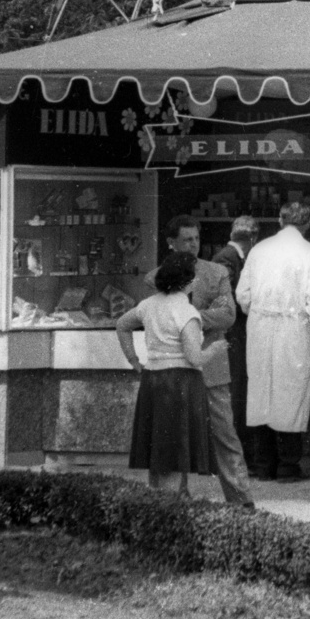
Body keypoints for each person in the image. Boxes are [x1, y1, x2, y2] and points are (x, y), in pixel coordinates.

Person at [146, 215, 254, 508]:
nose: (193, 245)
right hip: (172, 369)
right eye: (186, 240)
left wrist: (186, 318)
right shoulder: (155, 278)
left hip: (211, 368)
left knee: (225, 435)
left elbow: (228, 315)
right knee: (170, 437)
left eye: (196, 239)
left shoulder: (217, 272)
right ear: (171, 243)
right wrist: (202, 316)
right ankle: (170, 500)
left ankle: (241, 500)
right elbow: (156, 317)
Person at [236, 201, 310, 482]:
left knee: (261, 390)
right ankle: (288, 465)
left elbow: (242, 294)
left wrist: (260, 311)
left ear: (279, 220)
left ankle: (263, 465)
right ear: (308, 224)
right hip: (295, 327)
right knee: (293, 391)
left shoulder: (259, 250)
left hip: (261, 326)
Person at [115, 250, 214, 493]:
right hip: (181, 382)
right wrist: (217, 349)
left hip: (153, 378)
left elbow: (122, 325)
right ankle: (171, 508)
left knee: (159, 451)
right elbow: (194, 356)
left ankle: (160, 502)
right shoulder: (186, 312)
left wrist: (133, 359)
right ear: (188, 282)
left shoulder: (148, 304)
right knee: (174, 452)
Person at [212, 214, 261, 472]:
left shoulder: (234, 257)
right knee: (235, 394)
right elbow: (226, 300)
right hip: (232, 336)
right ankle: (233, 459)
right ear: (252, 239)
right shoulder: (226, 258)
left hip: (237, 335)